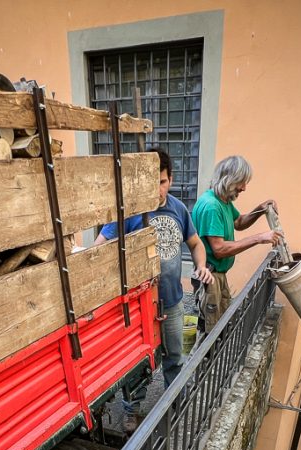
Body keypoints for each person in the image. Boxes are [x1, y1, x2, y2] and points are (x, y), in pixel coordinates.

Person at [95, 147, 213, 433]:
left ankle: (176, 399)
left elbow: (196, 243)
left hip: (172, 301)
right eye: (151, 182)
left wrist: (201, 265)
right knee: (137, 364)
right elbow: (99, 247)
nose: (157, 189)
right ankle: (131, 411)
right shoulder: (129, 211)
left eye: (161, 182)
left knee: (175, 356)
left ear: (170, 180)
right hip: (138, 308)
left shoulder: (179, 209)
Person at [191, 155, 281, 329]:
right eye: (241, 182)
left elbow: (239, 222)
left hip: (218, 274)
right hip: (210, 276)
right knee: (210, 329)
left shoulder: (222, 201)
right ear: (229, 179)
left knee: (221, 323)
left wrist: (260, 209)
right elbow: (219, 249)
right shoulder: (212, 206)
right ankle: (209, 347)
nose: (244, 188)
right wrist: (259, 238)